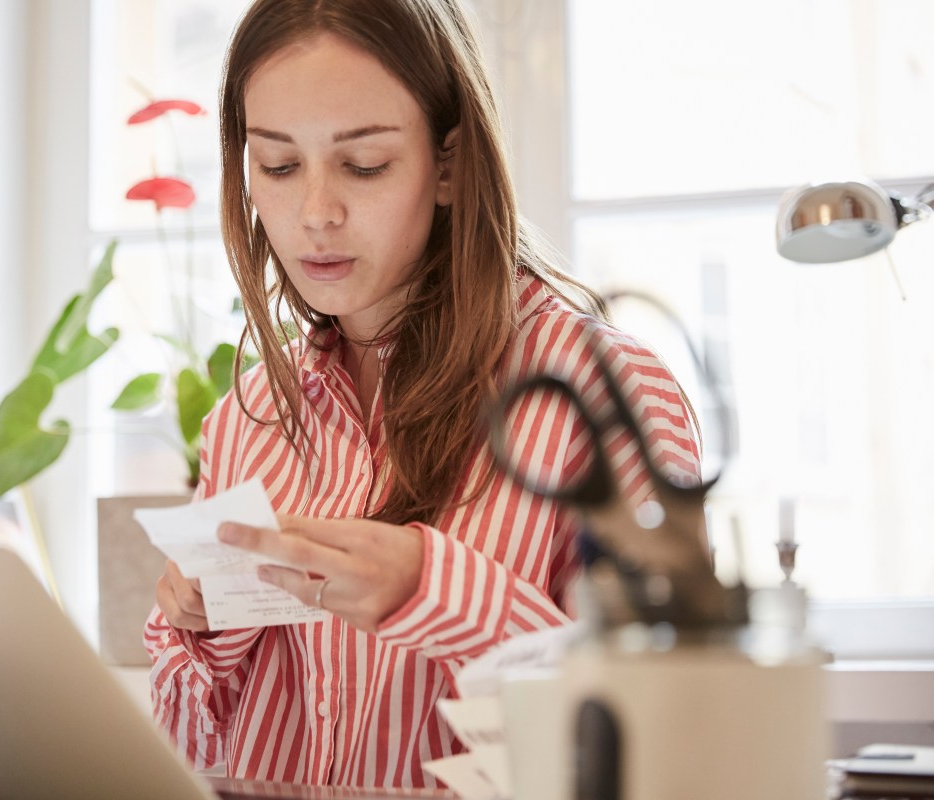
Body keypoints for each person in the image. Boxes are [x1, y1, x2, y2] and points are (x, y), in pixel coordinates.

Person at [145, 0, 701, 788]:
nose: (314, 214)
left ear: (448, 164)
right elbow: (190, 761)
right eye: (277, 165)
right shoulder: (248, 422)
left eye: (364, 165)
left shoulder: (604, 397)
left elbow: (663, 745)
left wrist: (436, 591)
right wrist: (202, 629)